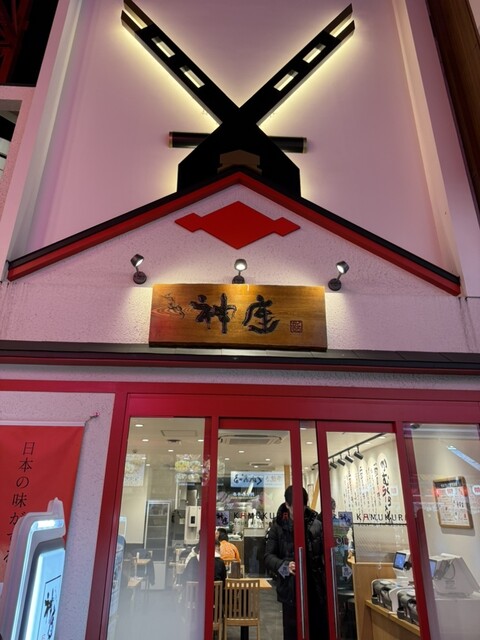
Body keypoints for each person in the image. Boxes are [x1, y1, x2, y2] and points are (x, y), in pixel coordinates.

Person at [264, 486, 328, 640]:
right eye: (295, 508)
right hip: (290, 589)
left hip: (315, 588)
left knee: (317, 630)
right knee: (292, 631)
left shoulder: (316, 524)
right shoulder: (278, 525)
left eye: (303, 507)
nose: (300, 511)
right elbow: (267, 556)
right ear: (287, 504)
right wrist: (284, 566)